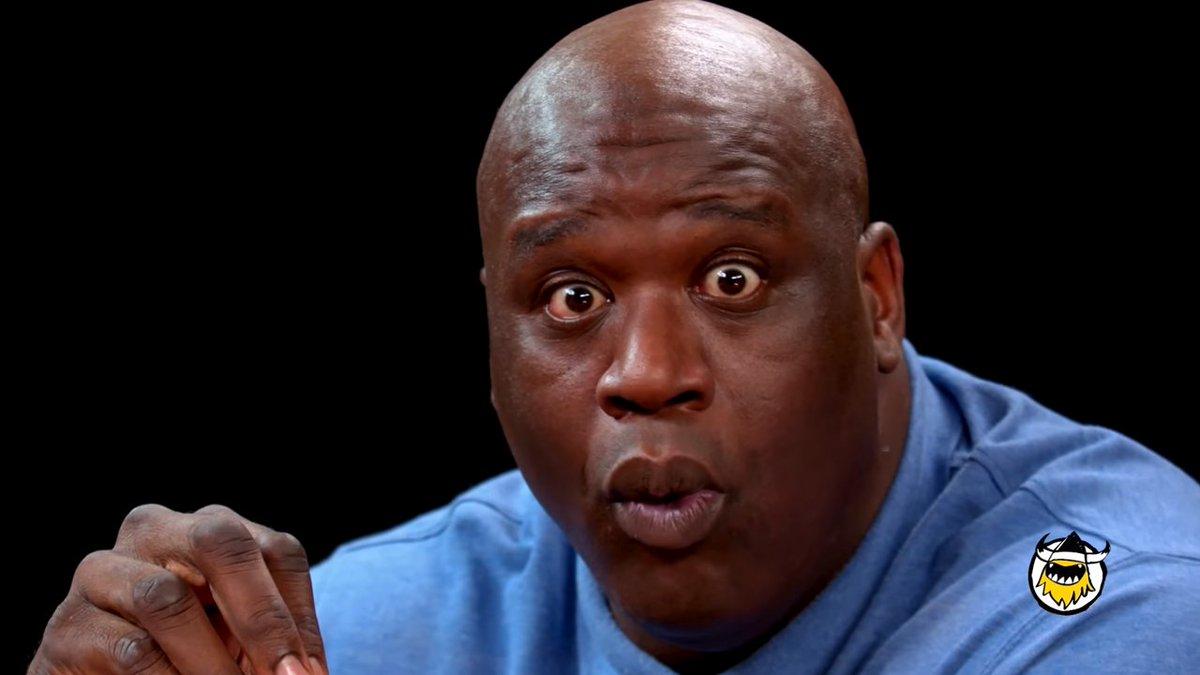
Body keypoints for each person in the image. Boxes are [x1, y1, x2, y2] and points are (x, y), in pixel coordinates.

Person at [28, 1, 1199, 673]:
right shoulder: (364, 631)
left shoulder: (1113, 606)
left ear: (877, 298)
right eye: (572, 300)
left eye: (733, 279)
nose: (647, 375)